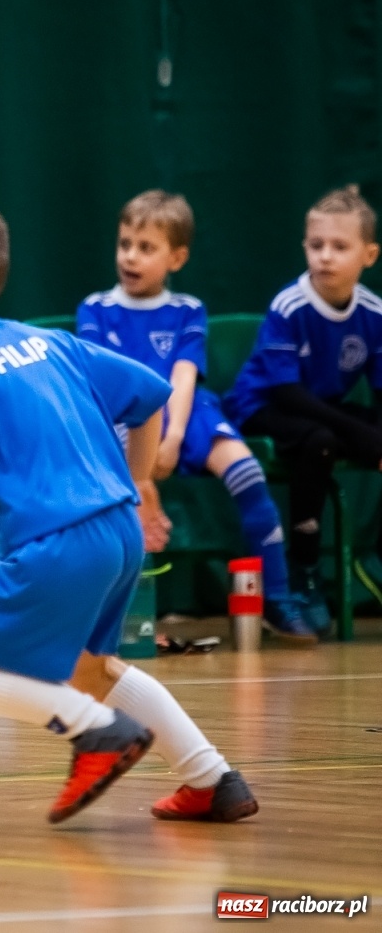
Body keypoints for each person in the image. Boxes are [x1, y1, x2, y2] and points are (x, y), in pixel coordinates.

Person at [0, 197, 257, 824]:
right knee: (90, 668)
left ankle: (94, 729)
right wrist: (137, 480)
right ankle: (212, 778)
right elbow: (150, 398)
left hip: (57, 543)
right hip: (120, 530)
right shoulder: (49, 342)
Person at [77, 191, 313, 641]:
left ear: (177, 257)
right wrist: (144, 468)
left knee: (247, 471)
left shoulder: (188, 310)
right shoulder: (96, 308)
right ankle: (122, 620)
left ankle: (277, 598)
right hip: (122, 419)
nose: (130, 256)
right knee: (121, 492)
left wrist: (173, 434)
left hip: (186, 413)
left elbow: (184, 378)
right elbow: (104, 385)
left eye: (146, 248)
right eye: (125, 243)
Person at [224, 186, 382, 634]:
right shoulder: (289, 306)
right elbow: (288, 394)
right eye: (316, 246)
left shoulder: (374, 313)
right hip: (265, 405)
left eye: (339, 247)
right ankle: (306, 569)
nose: (325, 257)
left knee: (348, 434)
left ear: (369, 255)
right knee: (322, 442)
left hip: (325, 407)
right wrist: (364, 437)